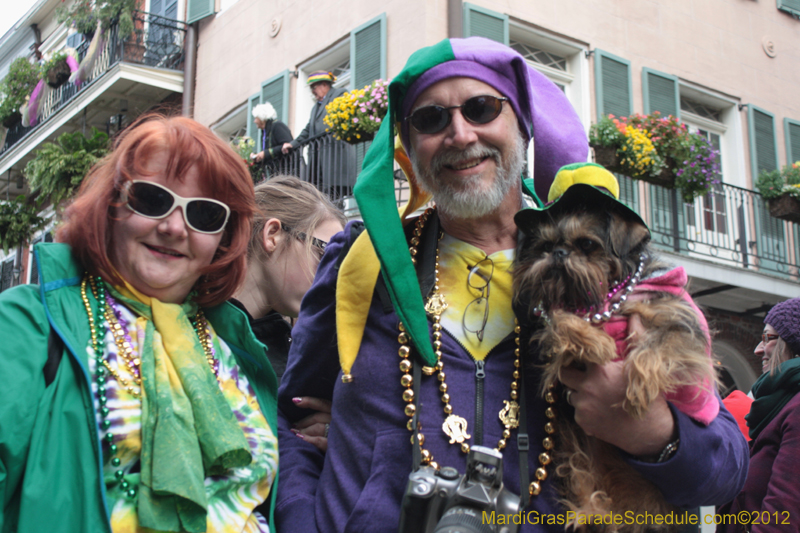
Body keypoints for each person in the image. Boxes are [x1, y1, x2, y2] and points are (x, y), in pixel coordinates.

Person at [275, 37, 749, 532]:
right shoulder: (359, 262)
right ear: (407, 146)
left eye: (482, 109)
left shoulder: (604, 265)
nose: (460, 134)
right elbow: (293, 426)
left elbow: (725, 472)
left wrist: (655, 434)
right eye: (431, 119)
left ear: (521, 126)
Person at [0, 115, 279, 533]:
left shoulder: (235, 347)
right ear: (112, 205)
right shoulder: (28, 322)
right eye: (151, 200)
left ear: (224, 238)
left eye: (203, 214)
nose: (173, 228)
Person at [231, 175, 346, 380]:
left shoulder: (290, 351)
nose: (333, 279)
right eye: (325, 256)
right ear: (272, 235)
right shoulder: (186, 326)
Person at [718, 297, 800, 532]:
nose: (758, 349)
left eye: (768, 338)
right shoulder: (779, 406)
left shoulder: (796, 408)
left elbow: (782, 518)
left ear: (793, 344)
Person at [281, 71, 355, 199]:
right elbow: (308, 129)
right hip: (318, 159)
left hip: (334, 156)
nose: (312, 92)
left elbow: (344, 116)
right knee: (321, 195)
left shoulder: (340, 94)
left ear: (325, 85)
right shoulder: (315, 108)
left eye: (314, 88)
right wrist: (292, 144)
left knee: (335, 195)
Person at [251, 102, 293, 179]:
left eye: (256, 118)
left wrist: (265, 153)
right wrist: (258, 157)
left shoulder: (277, 126)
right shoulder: (265, 132)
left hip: (285, 172)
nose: (254, 121)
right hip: (274, 174)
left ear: (261, 118)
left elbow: (288, 145)